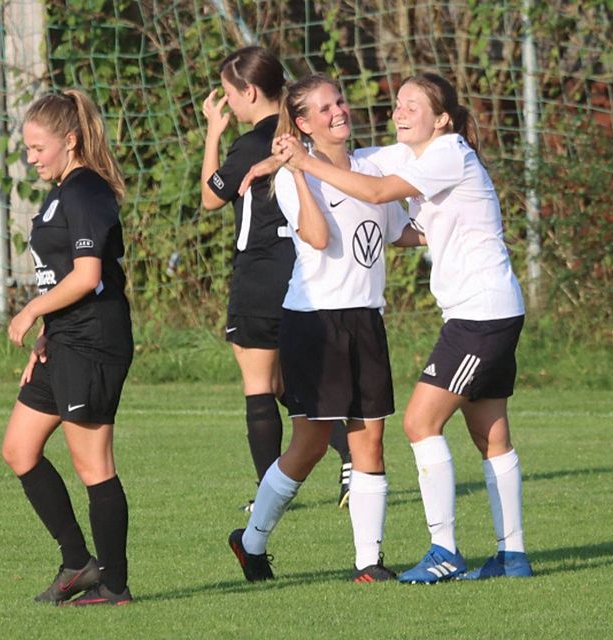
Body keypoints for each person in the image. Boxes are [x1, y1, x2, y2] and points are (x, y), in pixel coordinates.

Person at [268, 72, 533, 583]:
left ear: (443, 118)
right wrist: (279, 162)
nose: (401, 111)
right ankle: (512, 556)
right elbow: (363, 168)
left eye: (414, 105)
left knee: (418, 423)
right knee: (490, 433)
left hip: (480, 314)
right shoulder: (416, 153)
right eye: (398, 103)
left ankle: (444, 550)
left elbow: (374, 187)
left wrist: (303, 161)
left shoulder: (447, 151)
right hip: (491, 308)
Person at [227, 75, 424, 583]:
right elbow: (314, 235)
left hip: (366, 317)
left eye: (339, 100)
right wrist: (295, 170)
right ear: (302, 124)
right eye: (323, 108)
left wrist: (453, 227)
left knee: (370, 442)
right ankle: (251, 542)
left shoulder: (372, 166)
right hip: (315, 324)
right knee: (310, 447)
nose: (338, 111)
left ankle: (368, 563)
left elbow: (398, 229)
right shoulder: (296, 179)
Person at [200, 47, 353, 511]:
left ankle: (269, 493)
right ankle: (350, 458)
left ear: (248, 92)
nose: (229, 104)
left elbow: (210, 197)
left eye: (230, 95)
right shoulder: (299, 138)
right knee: (294, 384)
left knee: (259, 384)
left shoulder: (251, 143)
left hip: (260, 273)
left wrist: (213, 133)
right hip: (303, 273)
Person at [1, 89, 134, 606]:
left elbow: (87, 275)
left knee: (93, 465)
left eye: (38, 148)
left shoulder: (86, 192)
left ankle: (116, 585)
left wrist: (32, 309)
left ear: (70, 141)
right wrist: (44, 333)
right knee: (19, 449)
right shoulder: (60, 192)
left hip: (94, 342)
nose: (31, 158)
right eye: (28, 148)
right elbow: (59, 276)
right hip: (63, 341)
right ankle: (77, 562)